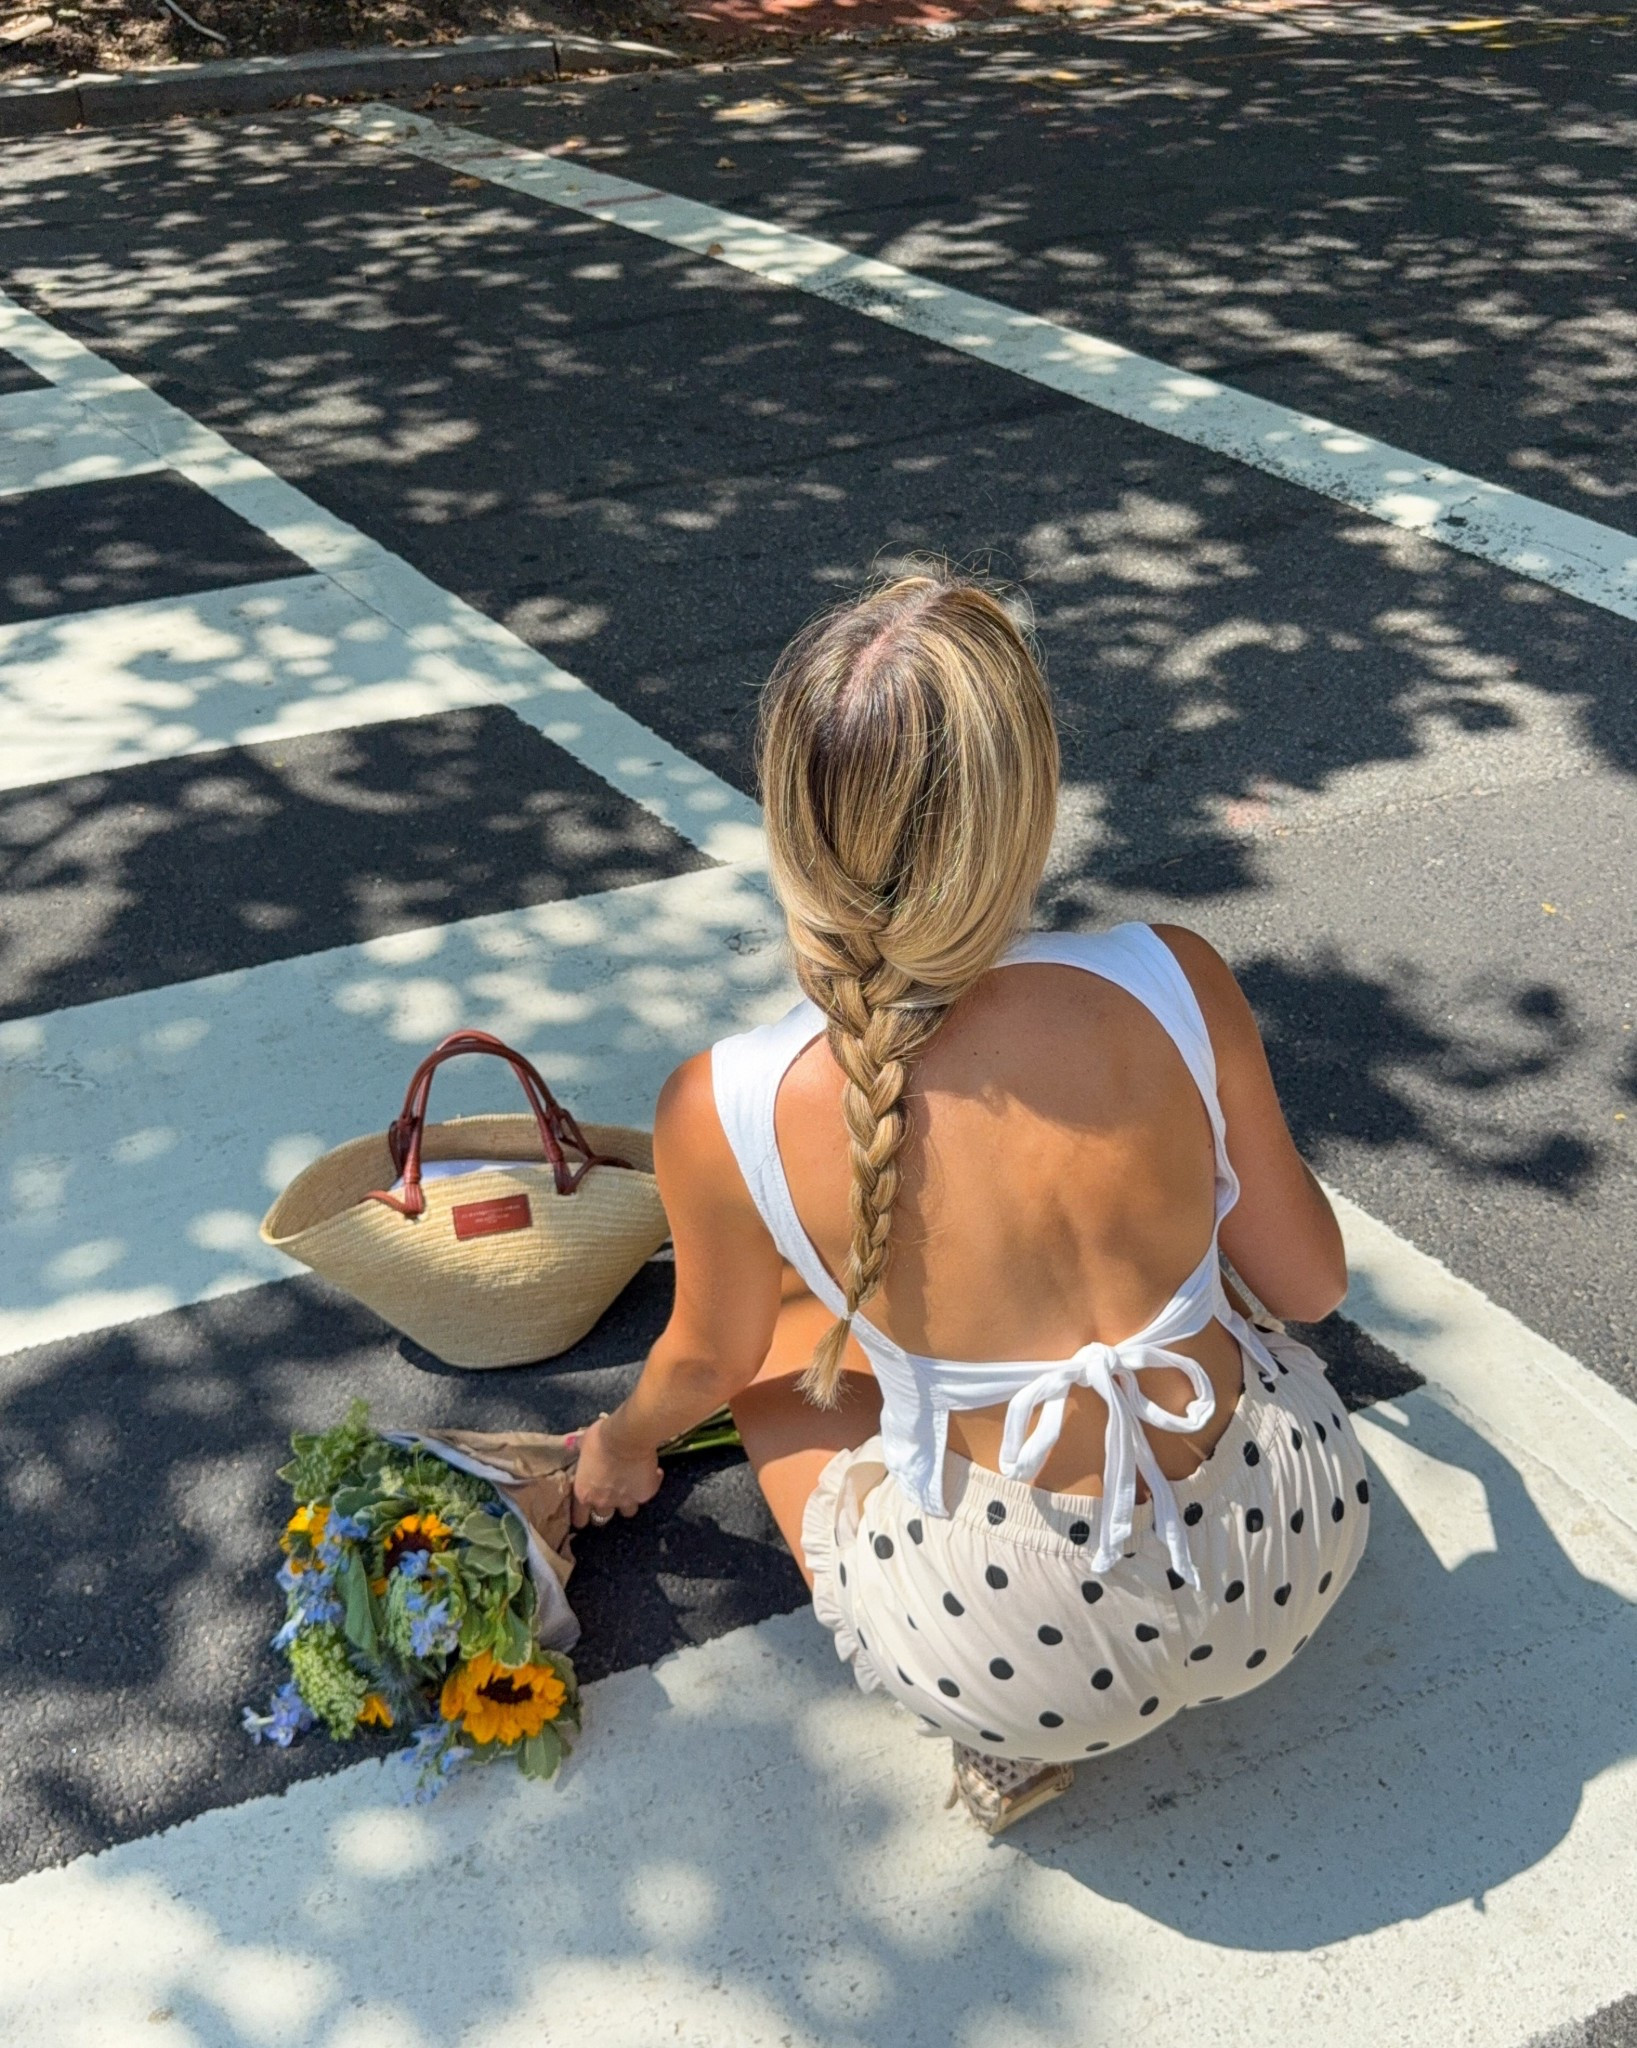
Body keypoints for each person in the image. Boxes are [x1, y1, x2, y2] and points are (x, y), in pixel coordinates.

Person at [569, 567, 1372, 1834]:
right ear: (1029, 800)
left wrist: (617, 1447)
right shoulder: (1169, 975)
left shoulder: (722, 1103)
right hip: (1293, 1548)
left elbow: (700, 1364)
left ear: (791, 816)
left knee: (775, 1383)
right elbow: (1314, 1286)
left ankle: (986, 1742)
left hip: (1019, 1658)